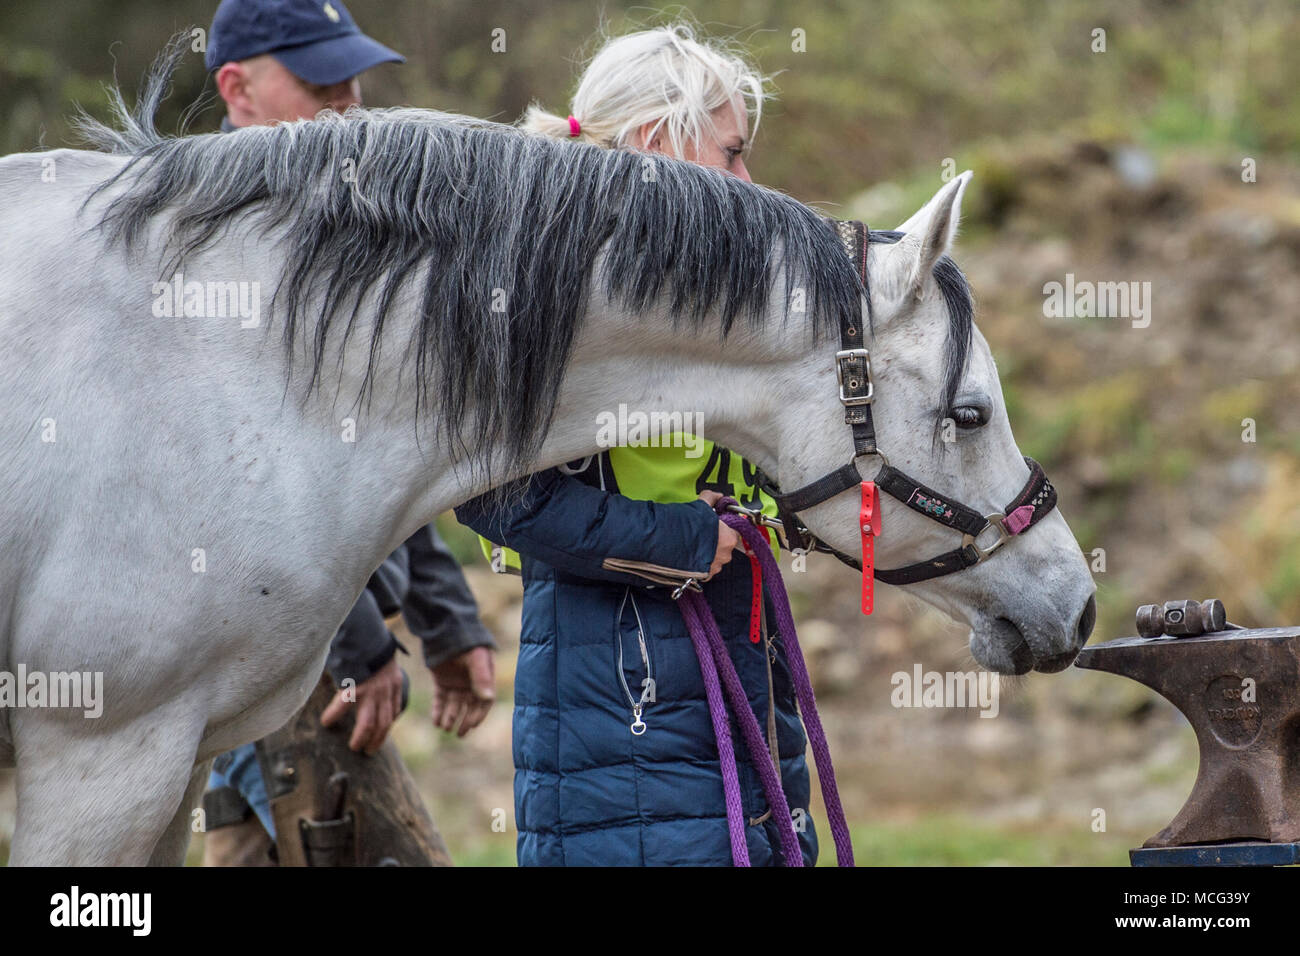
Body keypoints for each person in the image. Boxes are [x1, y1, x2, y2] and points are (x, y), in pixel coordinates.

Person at [456, 23, 817, 867]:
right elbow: (493, 489)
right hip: (617, 679)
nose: (747, 180)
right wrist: (687, 541)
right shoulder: (547, 291)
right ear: (659, 140)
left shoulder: (679, 297)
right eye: (731, 154)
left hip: (726, 644)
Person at [198, 0, 497, 867]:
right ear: (236, 88)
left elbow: (378, 453)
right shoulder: (220, 239)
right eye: (319, 83)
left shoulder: (327, 229)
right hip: (276, 650)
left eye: (352, 79)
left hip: (305, 652)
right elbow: (247, 479)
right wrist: (356, 647)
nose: (348, 105)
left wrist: (444, 619)